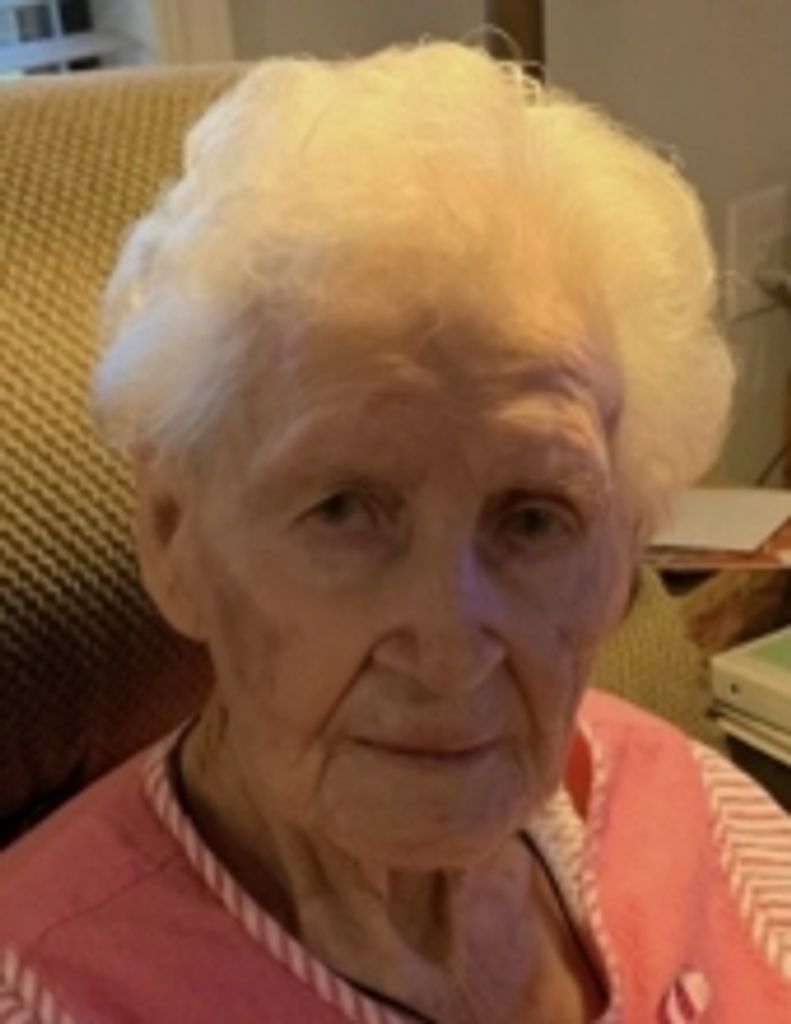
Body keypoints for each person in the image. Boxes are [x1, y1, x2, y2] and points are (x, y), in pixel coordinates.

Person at [0, 42, 788, 1024]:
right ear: (173, 536)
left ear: (622, 549)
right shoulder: (45, 993)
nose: (450, 655)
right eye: (342, 510)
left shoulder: (692, 811)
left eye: (533, 518)